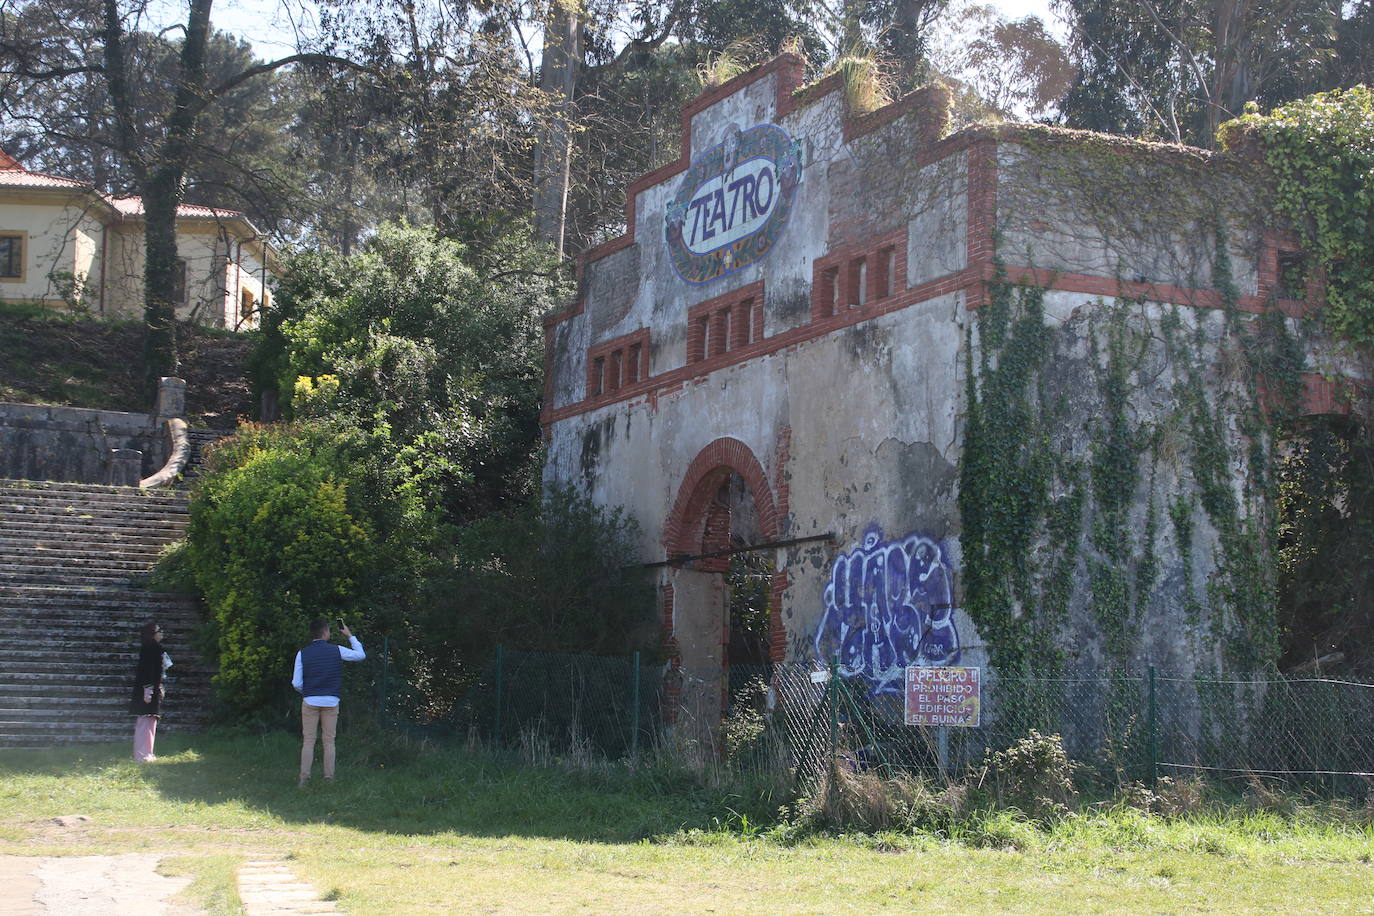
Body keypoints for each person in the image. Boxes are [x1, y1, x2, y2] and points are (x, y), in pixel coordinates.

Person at [292, 617, 366, 787]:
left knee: (309, 740)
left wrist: (308, 691)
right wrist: (349, 635)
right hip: (331, 701)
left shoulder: (302, 653)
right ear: (325, 633)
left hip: (310, 700)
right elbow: (361, 655)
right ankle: (329, 779)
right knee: (329, 741)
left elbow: (296, 683)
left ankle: (304, 779)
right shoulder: (337, 650)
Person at [129, 621, 172, 762]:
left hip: (152, 688)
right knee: (145, 721)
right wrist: (148, 689)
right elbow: (146, 670)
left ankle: (147, 752)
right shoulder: (149, 648)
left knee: (150, 720)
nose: (161, 633)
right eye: (159, 631)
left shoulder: (155, 648)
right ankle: (142, 754)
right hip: (147, 689)